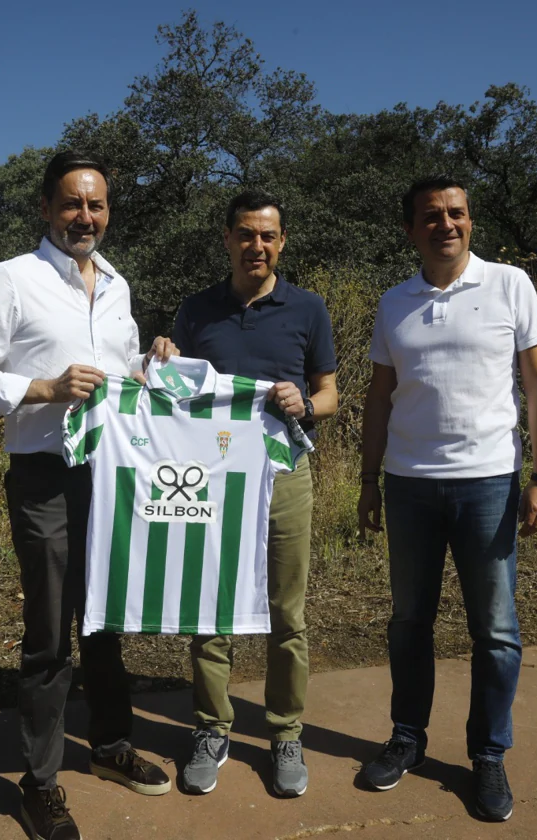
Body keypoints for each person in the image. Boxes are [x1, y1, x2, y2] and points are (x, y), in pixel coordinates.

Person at [0, 150, 172, 840]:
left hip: (108, 474)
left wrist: (149, 360)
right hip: (43, 474)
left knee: (106, 621)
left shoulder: (117, 284)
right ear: (46, 209)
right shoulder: (11, 280)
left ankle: (108, 747)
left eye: (96, 204)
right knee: (50, 633)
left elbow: (120, 373)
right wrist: (42, 388)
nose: (85, 216)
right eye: (72, 204)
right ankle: (39, 785)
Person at [356, 176, 537, 822]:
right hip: (410, 486)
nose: (447, 224)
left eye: (458, 213)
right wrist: (368, 481)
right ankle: (408, 739)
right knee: (409, 622)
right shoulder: (395, 303)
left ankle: (488, 756)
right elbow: (379, 399)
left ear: (470, 221)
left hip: (489, 486)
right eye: (432, 216)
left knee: (495, 631)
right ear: (411, 229)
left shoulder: (510, 285)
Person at [168, 189, 339, 797]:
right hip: (211, 478)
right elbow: (174, 393)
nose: (256, 245)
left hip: (285, 472)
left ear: (281, 242)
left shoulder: (308, 309)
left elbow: (331, 393)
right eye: (245, 234)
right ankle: (212, 728)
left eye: (267, 236)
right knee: (210, 608)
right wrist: (161, 356)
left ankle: (285, 733)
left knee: (286, 612)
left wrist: (307, 404)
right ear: (227, 239)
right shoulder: (196, 310)